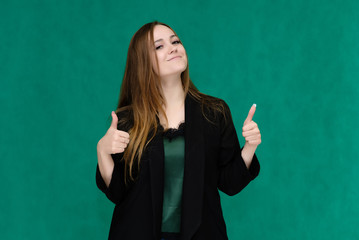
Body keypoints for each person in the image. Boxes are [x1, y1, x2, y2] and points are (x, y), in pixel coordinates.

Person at [96, 21, 261, 240]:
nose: (173, 47)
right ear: (143, 62)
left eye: (175, 41)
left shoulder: (214, 112)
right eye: (159, 46)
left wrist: (250, 146)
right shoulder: (127, 120)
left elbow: (229, 183)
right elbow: (117, 192)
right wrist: (102, 150)